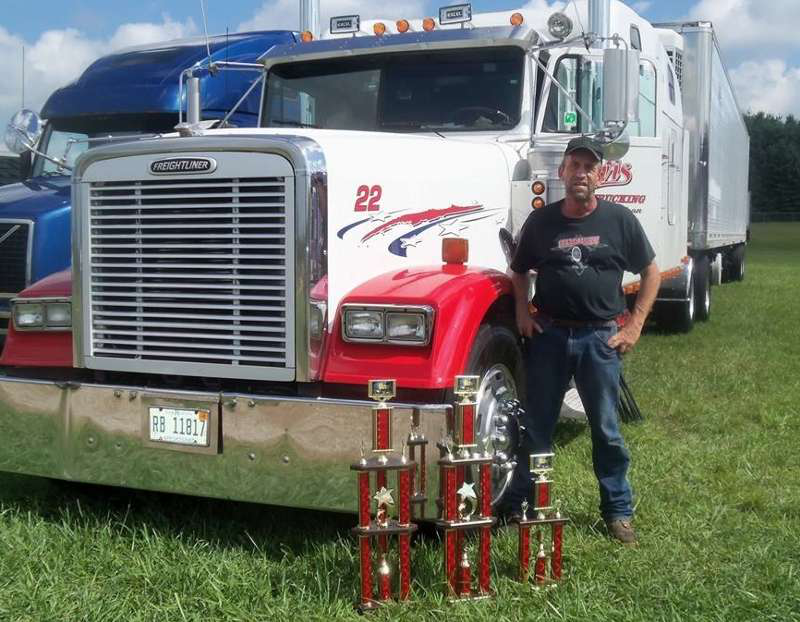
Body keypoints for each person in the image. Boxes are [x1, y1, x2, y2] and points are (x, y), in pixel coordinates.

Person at [506, 136, 661, 544]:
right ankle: (522, 502)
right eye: (574, 165)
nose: (581, 173)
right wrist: (523, 312)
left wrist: (634, 326)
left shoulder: (620, 221)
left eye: (589, 167)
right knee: (537, 426)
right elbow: (518, 270)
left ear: (601, 175)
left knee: (606, 429)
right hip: (551, 336)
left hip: (600, 339)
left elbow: (651, 273)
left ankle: (617, 511)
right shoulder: (541, 223)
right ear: (562, 173)